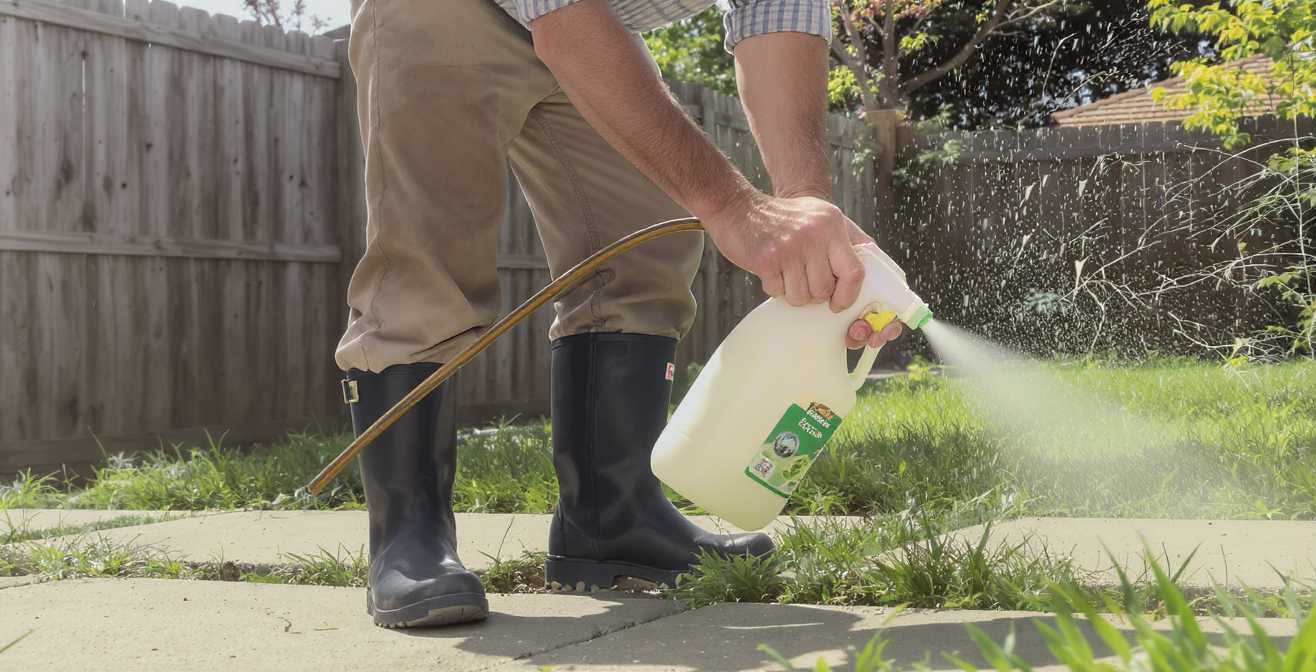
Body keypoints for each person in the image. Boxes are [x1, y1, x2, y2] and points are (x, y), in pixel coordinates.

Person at [333, 0, 904, 628]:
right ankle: (408, 534)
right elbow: (561, 20)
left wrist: (804, 211)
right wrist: (734, 208)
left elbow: (776, 15)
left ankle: (610, 517)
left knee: (647, 237)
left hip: (596, 20)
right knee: (429, 248)